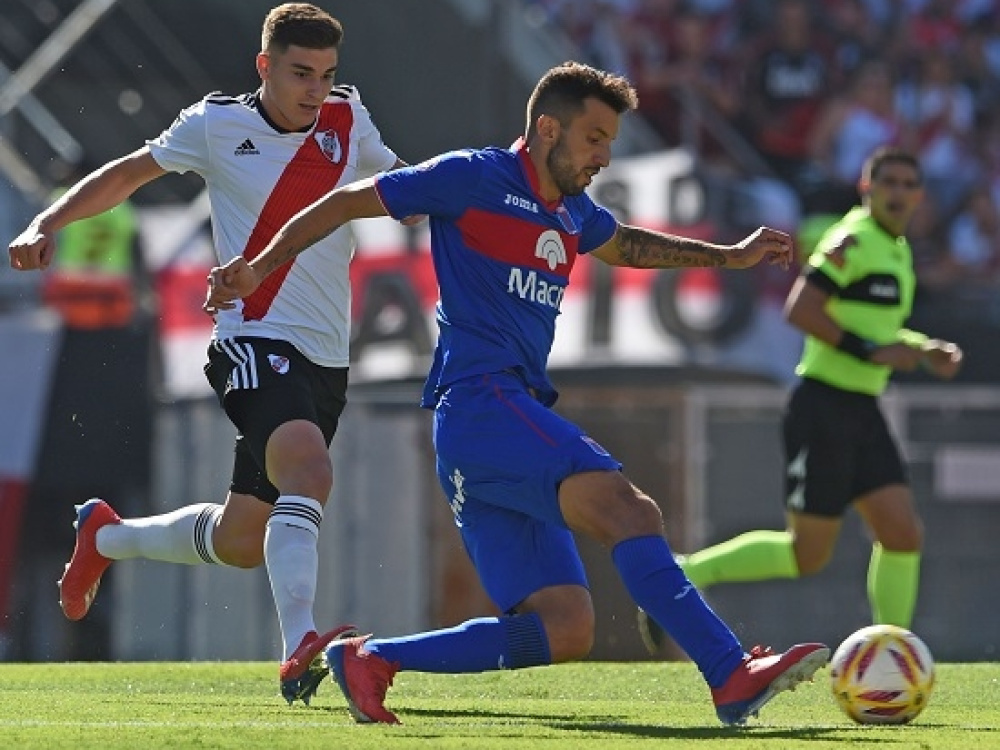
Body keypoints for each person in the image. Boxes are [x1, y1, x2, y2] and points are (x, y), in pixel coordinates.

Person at [205, 60, 830, 727]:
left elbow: (628, 247)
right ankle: (729, 672)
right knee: (631, 512)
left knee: (565, 627)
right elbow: (343, 202)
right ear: (546, 128)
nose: (603, 155)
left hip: (484, 430)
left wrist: (727, 257)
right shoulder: (472, 177)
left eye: (610, 142)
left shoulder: (574, 212)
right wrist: (258, 267)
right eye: (594, 137)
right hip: (483, 403)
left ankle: (373, 660)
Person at [8, 3, 409, 704]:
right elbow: (127, 174)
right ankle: (299, 650)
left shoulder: (349, 117)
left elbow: (405, 186)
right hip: (253, 340)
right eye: (300, 74)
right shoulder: (215, 124)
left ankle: (106, 538)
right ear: (265, 66)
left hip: (325, 357)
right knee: (308, 473)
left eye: (326, 75)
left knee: (242, 539)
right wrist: (47, 220)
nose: (315, 90)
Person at [638, 146, 963, 654]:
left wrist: (922, 351)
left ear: (920, 195)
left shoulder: (895, 248)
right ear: (866, 188)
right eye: (888, 183)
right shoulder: (852, 240)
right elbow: (801, 310)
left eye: (907, 184)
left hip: (862, 409)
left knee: (902, 533)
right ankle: (684, 573)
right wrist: (875, 352)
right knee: (806, 554)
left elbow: (876, 326)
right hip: (824, 407)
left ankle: (890, 653)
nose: (898, 193)